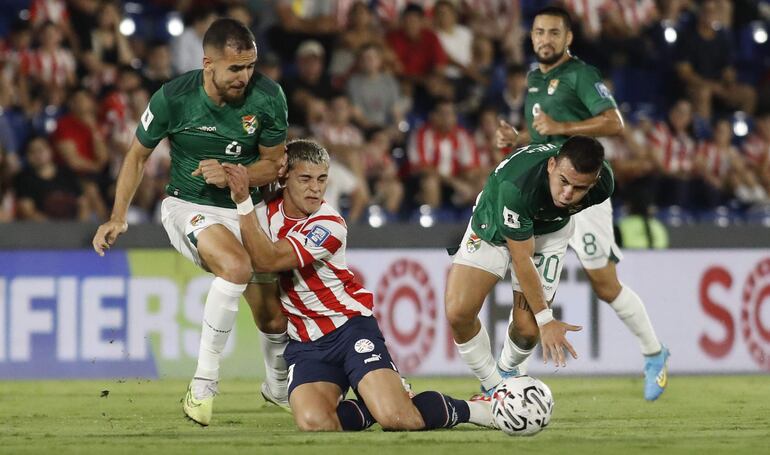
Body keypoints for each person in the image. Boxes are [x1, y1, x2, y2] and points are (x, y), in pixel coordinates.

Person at [91, 18, 290, 426]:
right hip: (188, 204)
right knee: (235, 267)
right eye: (236, 68)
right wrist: (117, 216)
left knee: (273, 317)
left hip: (244, 208)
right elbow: (137, 156)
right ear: (208, 63)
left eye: (251, 66)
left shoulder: (269, 97)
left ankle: (277, 387)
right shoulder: (173, 98)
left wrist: (235, 174)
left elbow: (274, 164)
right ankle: (203, 383)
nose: (245, 76)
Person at [223, 139, 493, 432]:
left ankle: (476, 409)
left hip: (349, 330)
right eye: (305, 179)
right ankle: (376, 401)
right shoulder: (268, 210)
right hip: (306, 343)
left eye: (322, 179)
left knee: (399, 419)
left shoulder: (328, 223)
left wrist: (242, 200)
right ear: (285, 177)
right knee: (314, 422)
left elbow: (268, 259)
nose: (315, 188)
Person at [495, 6, 668, 401]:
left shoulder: (581, 75)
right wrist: (517, 139)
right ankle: (511, 378)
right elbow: (545, 141)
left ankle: (655, 353)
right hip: (544, 194)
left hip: (583, 195)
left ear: (569, 37)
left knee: (605, 285)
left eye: (554, 32)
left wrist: (564, 128)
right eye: (539, 32)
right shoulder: (535, 78)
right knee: (531, 280)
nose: (545, 39)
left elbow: (614, 122)